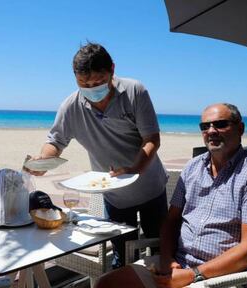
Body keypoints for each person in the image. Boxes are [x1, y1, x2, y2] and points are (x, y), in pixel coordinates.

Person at [94, 103, 247, 288]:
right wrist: (166, 259)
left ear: (240, 128)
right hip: (181, 264)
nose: (211, 131)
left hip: (231, 277)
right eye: (205, 126)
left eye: (220, 124)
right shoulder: (193, 167)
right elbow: (171, 220)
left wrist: (194, 275)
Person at [27, 42, 168, 268]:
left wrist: (134, 169)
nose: (92, 89)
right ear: (75, 78)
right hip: (114, 195)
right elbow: (55, 141)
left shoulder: (135, 91)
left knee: (161, 251)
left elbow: (152, 139)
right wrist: (44, 160)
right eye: (84, 84)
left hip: (150, 187)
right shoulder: (70, 106)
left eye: (99, 82)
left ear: (112, 69)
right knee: (123, 258)